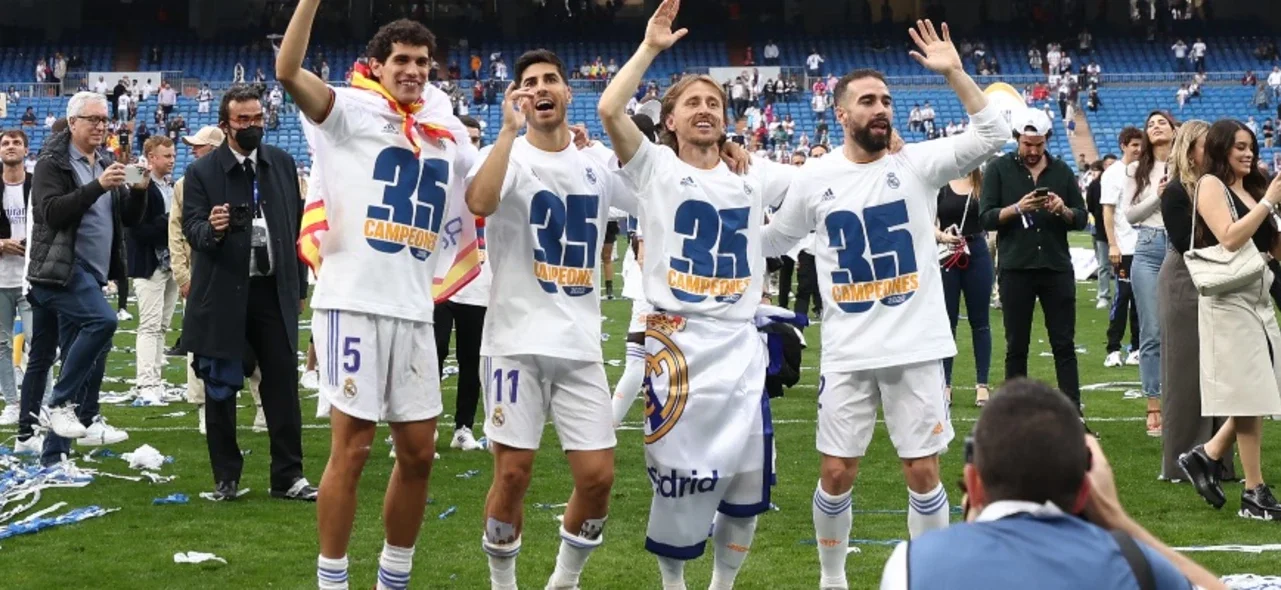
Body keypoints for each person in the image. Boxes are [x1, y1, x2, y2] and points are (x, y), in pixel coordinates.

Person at [760, 21, 1009, 589]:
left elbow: (992, 133)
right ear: (840, 113)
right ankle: (832, 578)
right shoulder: (814, 177)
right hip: (848, 350)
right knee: (836, 472)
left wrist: (953, 71)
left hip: (915, 345)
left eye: (887, 101)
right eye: (867, 101)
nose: (881, 109)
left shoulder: (916, 163)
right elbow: (775, 241)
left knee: (923, 472)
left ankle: (927, 579)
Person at [277, 4, 478, 589]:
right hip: (354, 302)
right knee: (355, 448)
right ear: (378, 66)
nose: (413, 70)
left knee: (419, 452)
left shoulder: (443, 132)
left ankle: (394, 576)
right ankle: (332, 578)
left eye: (422, 62)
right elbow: (289, 70)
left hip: (415, 307)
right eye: (402, 60)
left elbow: (483, 185)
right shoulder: (350, 111)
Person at [597, 1, 796, 587]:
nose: (706, 109)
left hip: (739, 345)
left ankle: (722, 585)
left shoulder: (753, 175)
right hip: (676, 343)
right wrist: (651, 48)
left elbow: (816, 187)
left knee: (746, 480)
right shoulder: (654, 167)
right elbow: (610, 107)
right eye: (693, 103)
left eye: (714, 102)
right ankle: (673, 584)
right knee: (678, 480)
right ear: (672, 122)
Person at [464, 48, 635, 590]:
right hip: (514, 341)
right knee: (512, 475)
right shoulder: (509, 157)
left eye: (550, 80)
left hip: (578, 343)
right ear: (518, 95)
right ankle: (503, 582)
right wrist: (507, 133)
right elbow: (480, 201)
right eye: (530, 82)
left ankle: (564, 581)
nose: (541, 88)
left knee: (598, 479)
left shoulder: (597, 165)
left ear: (568, 92)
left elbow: (659, 187)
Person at [879, 379, 1224, 590]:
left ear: (973, 482)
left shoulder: (912, 564)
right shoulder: (1137, 566)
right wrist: (1116, 518)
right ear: (1086, 490)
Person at [180, 85, 315, 503]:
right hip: (222, 295)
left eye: (258, 118)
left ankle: (288, 476)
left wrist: (299, 286)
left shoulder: (281, 163)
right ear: (226, 124)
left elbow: (294, 228)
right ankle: (226, 477)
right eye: (244, 120)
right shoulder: (202, 173)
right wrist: (214, 228)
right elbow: (193, 232)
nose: (253, 125)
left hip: (272, 292)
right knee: (220, 389)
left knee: (281, 386)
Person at [28, 92, 147, 462]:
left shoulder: (104, 162)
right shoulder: (53, 163)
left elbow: (126, 219)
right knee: (103, 322)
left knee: (90, 355)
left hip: (92, 274)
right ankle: (62, 403)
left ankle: (54, 457)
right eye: (93, 120)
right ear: (73, 122)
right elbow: (52, 213)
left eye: (104, 120)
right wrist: (99, 186)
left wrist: (138, 193)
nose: (101, 126)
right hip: (62, 271)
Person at [1177, 119, 1281, 520]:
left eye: (1251, 146)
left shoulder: (1251, 188)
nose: (1248, 153)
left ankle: (1208, 455)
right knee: (1250, 394)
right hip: (1228, 299)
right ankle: (1254, 492)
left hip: (1257, 298)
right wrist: (1269, 202)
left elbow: (1270, 244)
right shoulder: (1211, 185)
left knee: (1259, 389)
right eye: (1239, 146)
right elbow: (1229, 236)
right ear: (1221, 149)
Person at [978, 108, 1089, 415]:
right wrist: (1017, 208)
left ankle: (1073, 414)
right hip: (1016, 267)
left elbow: (1080, 218)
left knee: (1064, 344)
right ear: (1017, 139)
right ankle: (1013, 415)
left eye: (1038, 144)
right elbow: (985, 217)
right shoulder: (998, 169)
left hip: (1056, 266)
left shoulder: (1063, 171)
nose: (1033, 150)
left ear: (1047, 140)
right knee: (1016, 345)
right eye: (1027, 144)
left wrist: (1062, 210)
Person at [169, 126, 265, 434]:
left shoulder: (252, 175)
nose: (193, 150)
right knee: (201, 344)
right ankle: (204, 410)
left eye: (199, 146)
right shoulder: (187, 182)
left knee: (257, 342)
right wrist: (183, 274)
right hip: (204, 276)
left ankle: (262, 406)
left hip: (248, 273)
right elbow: (176, 231)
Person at [1156, 120, 1234, 482]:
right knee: (1185, 371)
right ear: (1190, 151)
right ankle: (1183, 460)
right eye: (1208, 147)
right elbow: (1187, 241)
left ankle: (1218, 458)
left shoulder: (1222, 187)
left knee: (1222, 371)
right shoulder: (1175, 191)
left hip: (1219, 278)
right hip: (1185, 281)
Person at [1123, 111, 1178, 436]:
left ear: (1174, 130)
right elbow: (1130, 215)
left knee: (1183, 329)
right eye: (1150, 124)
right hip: (1148, 247)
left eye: (1162, 122)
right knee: (1152, 330)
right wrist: (1159, 196)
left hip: (1182, 248)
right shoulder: (1136, 170)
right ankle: (1153, 406)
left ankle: (1182, 402)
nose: (1156, 127)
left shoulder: (1190, 165)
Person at [436, 114, 487, 452]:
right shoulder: (436, 173)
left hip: (479, 278)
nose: (470, 144)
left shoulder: (491, 176)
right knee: (430, 357)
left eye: (476, 138)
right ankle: (419, 428)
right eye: (464, 138)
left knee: (472, 360)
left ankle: (463, 428)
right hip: (438, 279)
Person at [126, 136, 180, 404]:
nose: (171, 160)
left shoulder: (169, 184)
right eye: (166, 156)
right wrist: (170, 224)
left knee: (161, 325)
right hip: (149, 262)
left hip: (169, 261)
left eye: (172, 155)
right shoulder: (137, 178)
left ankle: (156, 381)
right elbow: (134, 227)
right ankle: (146, 383)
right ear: (151, 156)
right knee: (149, 325)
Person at [935, 166, 994, 406]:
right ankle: (945, 384)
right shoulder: (941, 184)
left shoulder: (983, 183)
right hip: (948, 251)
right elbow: (926, 220)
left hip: (977, 251)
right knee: (946, 322)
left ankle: (982, 384)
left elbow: (992, 217)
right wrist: (941, 236)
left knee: (980, 322)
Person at [0, 129, 43, 430]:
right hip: (0, 279)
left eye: (16, 143)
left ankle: (43, 402)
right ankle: (12, 402)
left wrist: (32, 243)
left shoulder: (37, 185)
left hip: (31, 278)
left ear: (26, 150)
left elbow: (51, 221)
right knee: (0, 344)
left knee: (38, 342)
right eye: (5, 143)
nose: (10, 146)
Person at [1100, 128, 1143, 371]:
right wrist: (1113, 244)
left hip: (1144, 246)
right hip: (1124, 246)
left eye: (1140, 145)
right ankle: (1113, 349)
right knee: (1123, 296)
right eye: (1134, 145)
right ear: (1123, 145)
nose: (1138, 149)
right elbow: (1108, 212)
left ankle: (1136, 348)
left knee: (1141, 300)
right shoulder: (1113, 174)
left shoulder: (1144, 171)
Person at [1085, 157, 1115, 310]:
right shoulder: (1095, 185)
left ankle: (1123, 295)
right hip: (1102, 231)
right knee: (1104, 264)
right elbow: (1090, 205)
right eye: (1108, 164)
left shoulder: (1123, 181)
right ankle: (1103, 295)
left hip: (1121, 231)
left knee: (1123, 265)